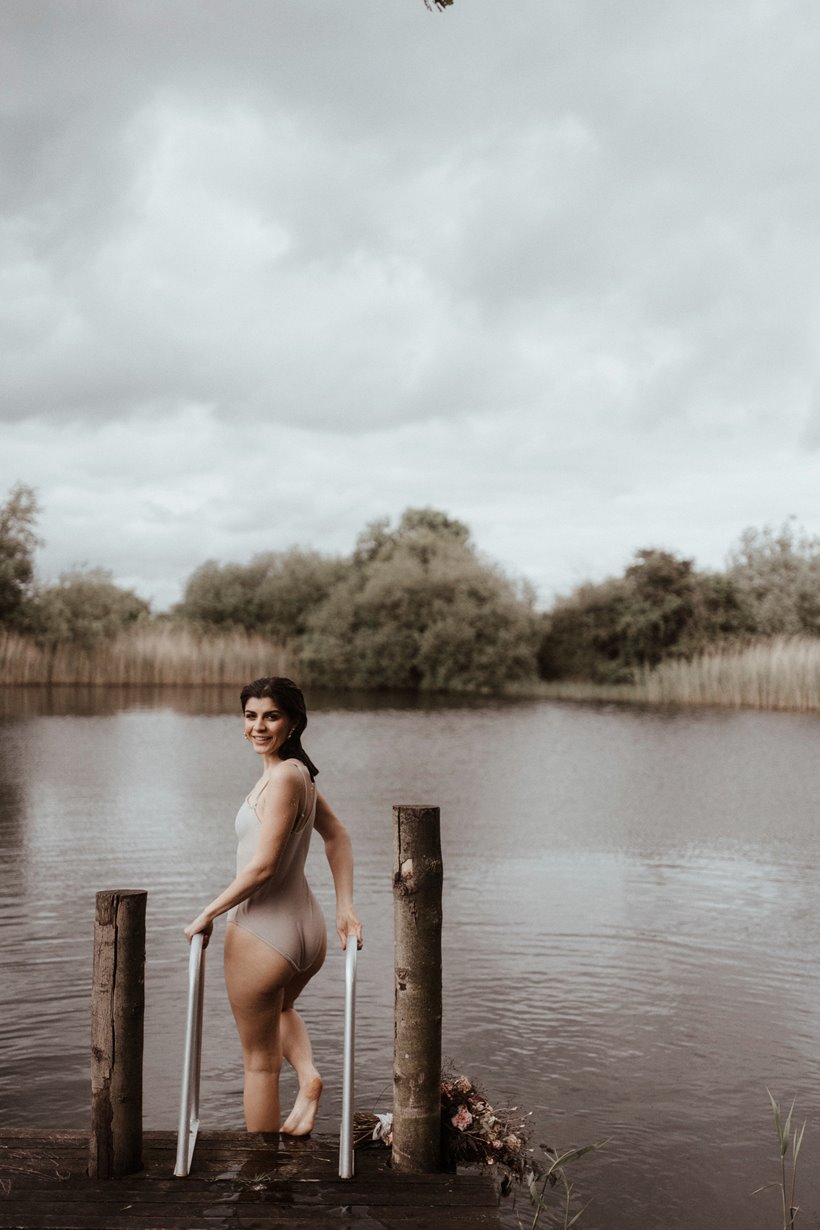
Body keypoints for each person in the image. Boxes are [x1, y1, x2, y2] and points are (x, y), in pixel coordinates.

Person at [184, 676, 362, 1135]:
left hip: (263, 937)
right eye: (250, 715)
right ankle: (308, 1077)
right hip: (308, 936)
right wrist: (343, 908)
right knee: (280, 1011)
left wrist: (209, 912)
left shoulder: (284, 777)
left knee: (259, 1066)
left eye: (271, 716)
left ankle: (261, 1177)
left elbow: (262, 868)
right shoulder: (299, 774)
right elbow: (338, 835)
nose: (258, 726)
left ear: (294, 722)